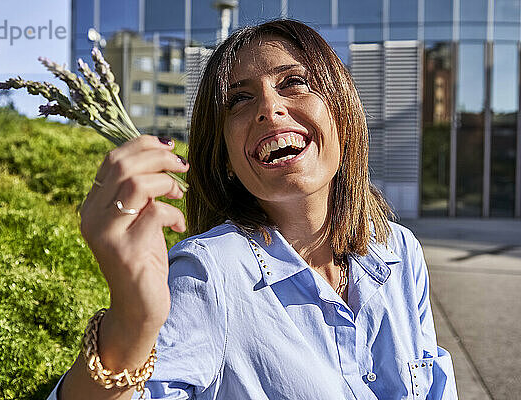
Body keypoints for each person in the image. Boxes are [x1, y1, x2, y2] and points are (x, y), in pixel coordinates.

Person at [49, 20, 458, 400]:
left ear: (343, 115)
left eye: (294, 82)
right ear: (226, 156)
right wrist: (131, 323)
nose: (269, 107)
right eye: (239, 99)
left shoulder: (400, 250)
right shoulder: (210, 272)